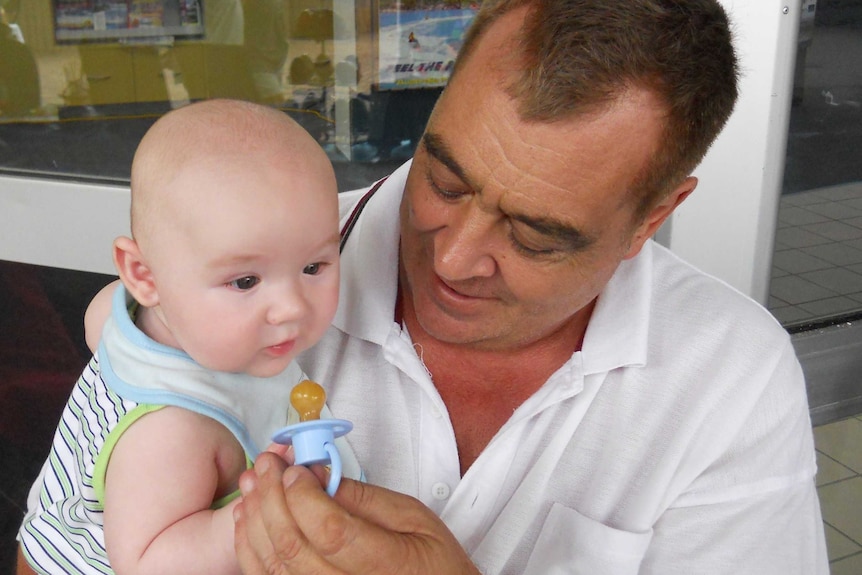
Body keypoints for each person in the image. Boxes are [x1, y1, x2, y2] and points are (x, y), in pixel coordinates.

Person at [32, 1, 829, 574]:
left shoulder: (730, 374)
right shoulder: (241, 288)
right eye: (444, 178)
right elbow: (54, 547)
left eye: (535, 234)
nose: (453, 259)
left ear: (652, 216)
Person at [16, 99, 361, 575]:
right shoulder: (175, 431)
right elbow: (148, 564)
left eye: (313, 266)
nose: (292, 307)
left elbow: (97, 326)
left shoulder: (122, 309)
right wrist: (258, 506)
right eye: (245, 281)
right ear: (145, 275)